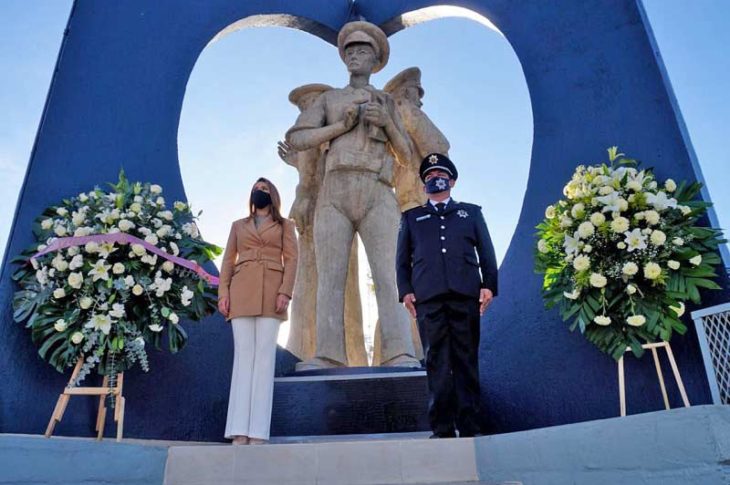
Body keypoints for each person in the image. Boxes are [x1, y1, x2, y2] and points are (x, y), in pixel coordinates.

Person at [285, 21, 418, 369]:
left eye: (362, 52)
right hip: (335, 189)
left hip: (377, 189)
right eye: (350, 52)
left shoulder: (386, 100)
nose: (355, 57)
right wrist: (337, 128)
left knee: (389, 274)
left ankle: (399, 351)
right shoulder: (329, 99)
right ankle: (329, 354)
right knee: (331, 276)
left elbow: (406, 155)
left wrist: (387, 123)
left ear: (375, 60)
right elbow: (298, 138)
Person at [396, 153, 498, 438]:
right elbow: (402, 260)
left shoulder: (471, 213)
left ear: (451, 181)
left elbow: (487, 253)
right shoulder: (412, 218)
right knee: (436, 361)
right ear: (423, 184)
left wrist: (489, 284)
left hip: (465, 296)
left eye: (440, 175)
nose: (434, 179)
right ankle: (441, 428)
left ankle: (470, 426)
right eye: (428, 176)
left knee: (466, 360)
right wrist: (405, 291)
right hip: (428, 299)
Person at [218, 177, 298, 444]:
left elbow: (293, 259)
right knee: (243, 358)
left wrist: (285, 291)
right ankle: (239, 430)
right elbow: (228, 260)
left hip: (272, 290)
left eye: (264, 189)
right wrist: (223, 292)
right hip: (241, 290)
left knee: (264, 359)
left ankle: (258, 432)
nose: (259, 192)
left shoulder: (285, 225)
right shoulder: (237, 226)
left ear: (273, 195)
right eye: (256, 189)